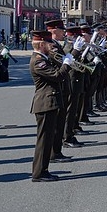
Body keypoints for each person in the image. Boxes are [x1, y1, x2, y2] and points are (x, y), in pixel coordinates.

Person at [29, 30, 72, 182]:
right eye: (48, 43)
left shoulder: (44, 58)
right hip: (45, 103)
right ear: (41, 44)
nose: (51, 45)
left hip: (50, 102)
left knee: (47, 140)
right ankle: (39, 173)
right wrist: (66, 64)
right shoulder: (38, 61)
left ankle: (43, 170)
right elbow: (57, 76)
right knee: (44, 140)